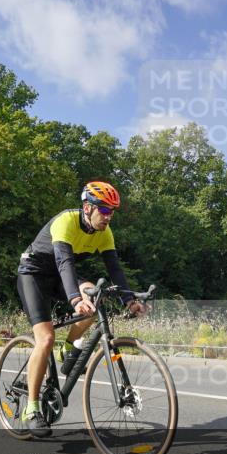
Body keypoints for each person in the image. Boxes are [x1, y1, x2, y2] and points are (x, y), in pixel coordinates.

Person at [15, 181, 145, 437]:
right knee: (45, 338)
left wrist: (129, 300)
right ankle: (31, 409)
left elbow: (115, 270)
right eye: (104, 210)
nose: (108, 217)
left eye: (112, 212)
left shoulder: (104, 232)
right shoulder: (66, 221)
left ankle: (68, 349)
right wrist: (75, 300)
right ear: (87, 208)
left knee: (96, 301)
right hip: (34, 274)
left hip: (63, 276)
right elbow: (63, 262)